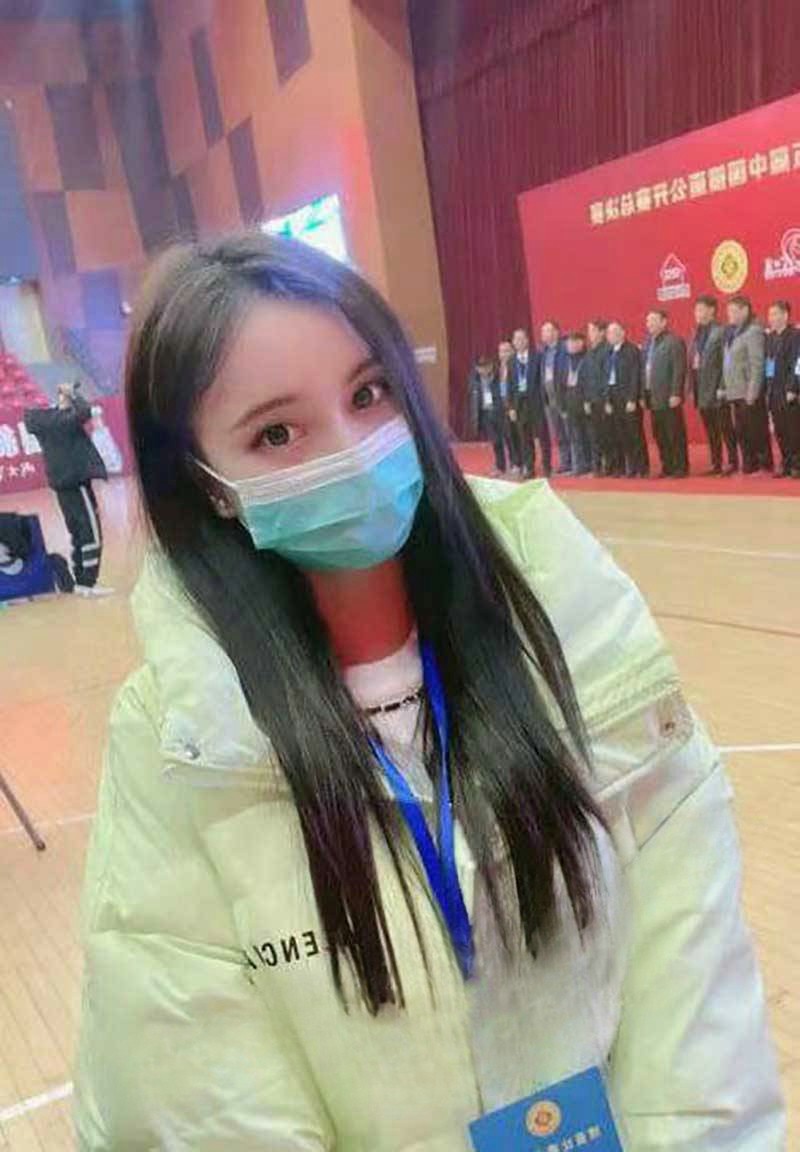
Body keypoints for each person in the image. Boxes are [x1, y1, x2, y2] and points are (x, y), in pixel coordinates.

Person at [75, 233, 784, 1151]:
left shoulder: (578, 635)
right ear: (206, 484)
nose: (352, 450)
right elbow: (195, 1100)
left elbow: (696, 1015)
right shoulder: (180, 744)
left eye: (369, 394)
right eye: (277, 434)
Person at [23, 381, 110, 596]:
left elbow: (67, 415)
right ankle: (88, 582)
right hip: (77, 483)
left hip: (62, 485)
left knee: (77, 532)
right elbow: (84, 411)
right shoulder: (62, 421)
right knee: (90, 533)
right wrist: (71, 394)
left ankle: (81, 580)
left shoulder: (41, 422)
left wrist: (63, 404)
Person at [689, 295, 737, 475]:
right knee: (711, 430)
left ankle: (732, 462)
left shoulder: (721, 331)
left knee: (726, 428)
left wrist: (723, 386)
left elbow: (726, 362)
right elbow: (693, 363)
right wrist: (692, 388)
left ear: (711, 310)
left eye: (700, 309)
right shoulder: (696, 332)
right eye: (696, 310)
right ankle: (716, 463)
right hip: (701, 389)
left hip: (717, 389)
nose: (697, 313)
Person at [722, 296, 768, 474]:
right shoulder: (733, 332)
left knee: (755, 429)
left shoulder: (753, 331)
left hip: (748, 390)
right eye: (729, 311)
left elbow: (757, 363)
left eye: (733, 311)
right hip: (735, 390)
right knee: (742, 430)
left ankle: (763, 463)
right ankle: (749, 463)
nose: (730, 315)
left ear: (745, 310)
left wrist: (753, 391)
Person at [643, 310, 688, 478]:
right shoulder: (648, 343)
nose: (649, 324)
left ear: (664, 322)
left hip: (669, 396)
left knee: (674, 433)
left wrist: (676, 392)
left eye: (653, 320)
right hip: (652, 396)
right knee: (659, 434)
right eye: (648, 321)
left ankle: (680, 467)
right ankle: (667, 466)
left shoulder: (673, 341)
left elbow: (679, 369)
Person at [604, 320, 649, 477]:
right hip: (614, 397)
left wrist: (632, 399)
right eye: (609, 333)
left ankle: (642, 467)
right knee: (620, 434)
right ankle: (629, 467)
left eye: (615, 332)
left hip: (628, 398)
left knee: (634, 434)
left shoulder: (632, 350)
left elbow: (635, 375)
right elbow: (606, 378)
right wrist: (607, 400)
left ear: (623, 333)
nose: (611, 335)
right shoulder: (609, 352)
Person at [765, 300, 800, 479]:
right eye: (770, 314)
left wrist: (793, 387)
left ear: (785, 315)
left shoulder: (795, 335)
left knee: (793, 430)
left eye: (775, 314)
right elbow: (768, 364)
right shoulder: (770, 337)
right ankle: (785, 462)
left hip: (789, 390)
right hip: (774, 390)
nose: (772, 318)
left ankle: (796, 464)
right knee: (779, 430)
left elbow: (798, 364)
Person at [510, 326, 549, 477]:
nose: (519, 342)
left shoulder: (537, 357)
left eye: (521, 339)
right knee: (524, 437)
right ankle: (530, 467)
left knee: (542, 435)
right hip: (520, 404)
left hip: (536, 402)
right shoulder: (511, 361)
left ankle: (547, 466)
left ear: (527, 340)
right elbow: (510, 385)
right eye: (516, 339)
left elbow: (542, 381)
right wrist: (511, 407)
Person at [539, 320, 571, 472]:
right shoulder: (543, 352)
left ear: (556, 332)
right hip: (549, 398)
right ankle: (565, 462)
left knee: (569, 431)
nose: (544, 334)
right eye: (543, 331)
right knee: (558, 433)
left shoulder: (564, 349)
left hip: (563, 396)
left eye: (548, 330)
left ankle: (576, 462)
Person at [474, 354, 511, 477]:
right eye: (481, 367)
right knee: (495, 442)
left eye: (486, 366)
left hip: (500, 412)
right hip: (486, 414)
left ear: (491, 366)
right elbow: (473, 399)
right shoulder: (475, 380)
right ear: (477, 369)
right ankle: (500, 467)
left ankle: (514, 465)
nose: (483, 369)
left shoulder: (497, 376)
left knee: (508, 439)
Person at [584, 318, 610, 476]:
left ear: (602, 332)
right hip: (592, 400)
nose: (590, 334)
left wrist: (606, 399)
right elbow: (586, 378)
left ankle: (609, 465)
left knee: (606, 435)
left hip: (603, 400)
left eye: (593, 330)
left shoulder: (607, 351)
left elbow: (606, 377)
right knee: (594, 436)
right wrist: (586, 399)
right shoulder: (589, 352)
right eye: (589, 331)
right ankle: (597, 466)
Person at [563, 330, 592, 474]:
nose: (569, 345)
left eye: (572, 342)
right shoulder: (566, 360)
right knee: (575, 436)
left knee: (588, 435)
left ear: (581, 343)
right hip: (570, 401)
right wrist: (563, 405)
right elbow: (560, 383)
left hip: (584, 402)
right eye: (568, 342)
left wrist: (587, 399)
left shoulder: (587, 358)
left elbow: (590, 382)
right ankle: (579, 465)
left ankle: (592, 464)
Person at [497, 338, 520, 473]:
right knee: (508, 436)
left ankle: (520, 462)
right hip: (502, 406)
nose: (504, 354)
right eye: (501, 351)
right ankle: (513, 462)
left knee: (518, 436)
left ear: (513, 352)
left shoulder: (516, 366)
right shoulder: (499, 369)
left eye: (507, 351)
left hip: (515, 406)